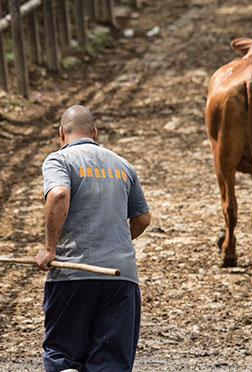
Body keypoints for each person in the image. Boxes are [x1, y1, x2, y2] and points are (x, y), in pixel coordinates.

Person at [35, 105, 151, 372]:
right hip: (120, 278)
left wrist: (50, 249)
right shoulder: (123, 165)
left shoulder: (60, 160)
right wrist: (115, 242)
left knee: (63, 355)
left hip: (72, 275)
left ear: (61, 133)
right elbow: (143, 219)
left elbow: (59, 194)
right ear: (95, 133)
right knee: (110, 362)